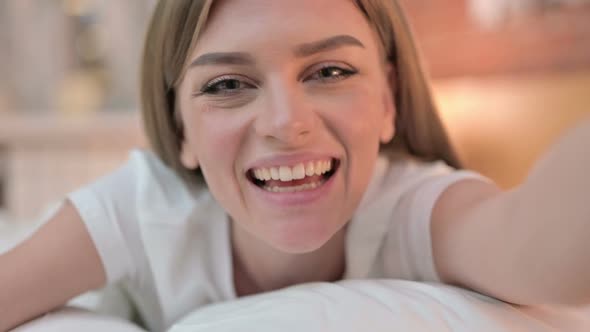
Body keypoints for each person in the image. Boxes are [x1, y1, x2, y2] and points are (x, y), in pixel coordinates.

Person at [1, 0, 589, 331]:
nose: (286, 122)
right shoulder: (142, 207)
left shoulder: (410, 209)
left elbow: (530, 240)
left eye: (330, 72)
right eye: (228, 83)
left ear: (387, 101)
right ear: (180, 130)